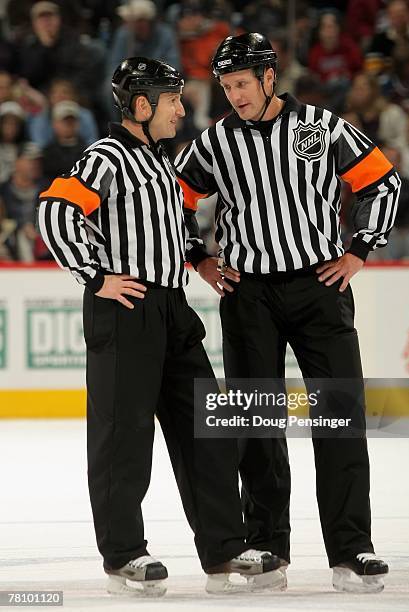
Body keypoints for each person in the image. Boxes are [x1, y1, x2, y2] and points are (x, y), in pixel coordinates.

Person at [37, 56, 281, 597]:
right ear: (141, 106)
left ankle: (224, 550)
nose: (181, 108)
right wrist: (95, 275)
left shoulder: (157, 161)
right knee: (124, 438)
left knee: (207, 433)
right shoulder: (107, 158)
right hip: (127, 310)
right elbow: (56, 210)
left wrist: (200, 258)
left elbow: (179, 221)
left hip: (172, 308)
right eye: (171, 100)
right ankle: (124, 555)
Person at [175, 32, 401, 593]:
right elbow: (170, 199)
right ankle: (267, 545)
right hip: (248, 295)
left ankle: (352, 549)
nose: (235, 97)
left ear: (270, 78)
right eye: (227, 87)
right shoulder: (213, 142)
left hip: (320, 288)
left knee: (339, 417)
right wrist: (198, 257)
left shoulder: (321, 127)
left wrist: (359, 250)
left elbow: (383, 181)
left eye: (244, 85)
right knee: (257, 423)